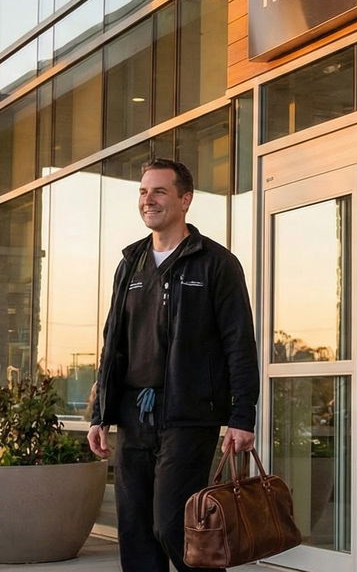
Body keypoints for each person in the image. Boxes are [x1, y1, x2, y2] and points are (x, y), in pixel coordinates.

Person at [88, 158, 259, 572]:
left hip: (188, 415)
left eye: (159, 191)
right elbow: (114, 345)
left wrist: (242, 416)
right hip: (134, 415)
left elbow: (239, 343)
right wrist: (100, 413)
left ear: (185, 200)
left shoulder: (215, 263)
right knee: (135, 530)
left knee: (172, 524)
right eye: (143, 192)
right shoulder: (130, 265)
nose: (149, 200)